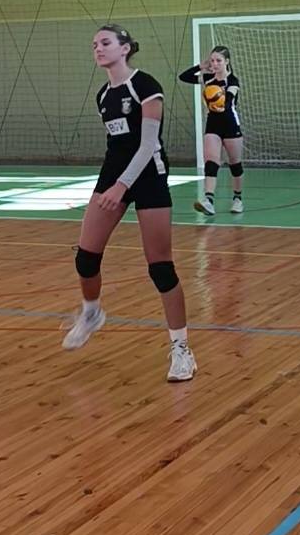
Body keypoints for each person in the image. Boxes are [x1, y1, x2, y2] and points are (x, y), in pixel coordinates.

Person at [62, 24, 196, 382]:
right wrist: (114, 184)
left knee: (161, 268)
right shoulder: (103, 95)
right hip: (113, 174)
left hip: (149, 176)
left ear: (125, 48)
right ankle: (92, 313)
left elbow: (148, 144)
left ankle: (181, 349)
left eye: (105, 42)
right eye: (94, 44)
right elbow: (118, 145)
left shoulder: (145, 85)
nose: (98, 48)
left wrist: (122, 187)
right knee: (85, 258)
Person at [179, 45, 244, 215]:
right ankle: (208, 200)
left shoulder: (232, 81)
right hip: (213, 124)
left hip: (230, 124)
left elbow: (229, 99)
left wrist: (222, 103)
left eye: (218, 61)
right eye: (212, 60)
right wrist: (200, 66)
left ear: (227, 62)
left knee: (235, 164)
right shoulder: (207, 78)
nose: (214, 64)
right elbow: (184, 77)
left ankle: (237, 199)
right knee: (211, 162)